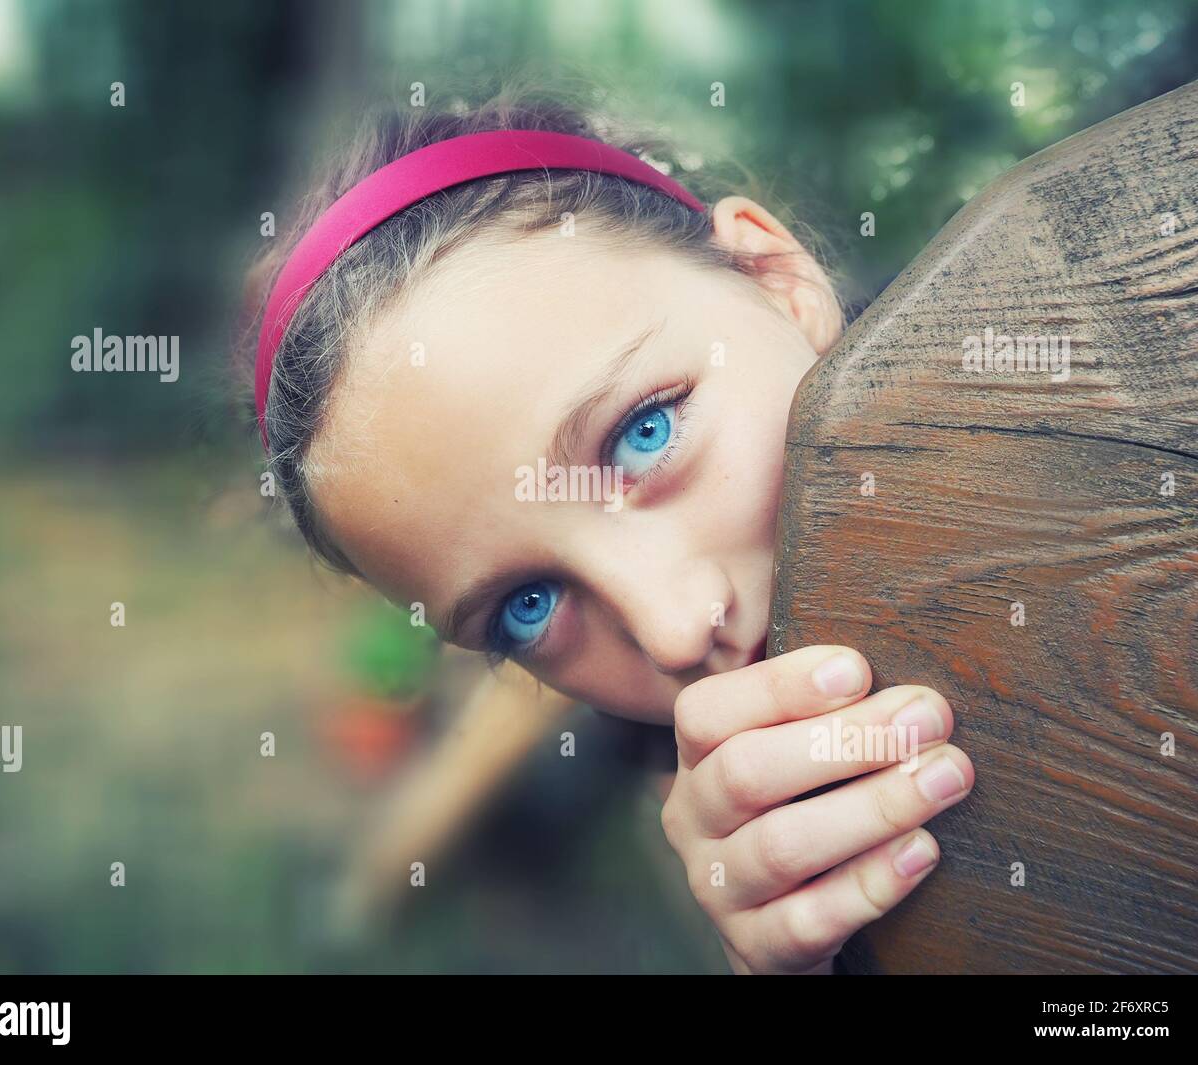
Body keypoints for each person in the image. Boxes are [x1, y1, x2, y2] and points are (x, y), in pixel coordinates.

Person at [241, 79, 975, 974]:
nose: (673, 630)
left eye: (644, 434)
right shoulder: (693, 779)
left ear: (777, 282)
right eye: (527, 606)